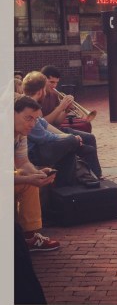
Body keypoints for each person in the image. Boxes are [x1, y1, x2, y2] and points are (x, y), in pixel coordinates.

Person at [22, 71, 92, 187]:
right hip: (34, 151)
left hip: (41, 145)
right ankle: (83, 174)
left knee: (70, 148)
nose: (46, 92)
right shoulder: (27, 107)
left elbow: (46, 125)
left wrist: (66, 112)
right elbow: (44, 136)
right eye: (44, 89)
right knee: (71, 142)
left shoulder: (32, 103)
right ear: (40, 91)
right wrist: (69, 139)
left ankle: (69, 187)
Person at [14, 95, 60, 252]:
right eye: (28, 118)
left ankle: (29, 237)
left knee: (28, 182)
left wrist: (37, 173)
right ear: (11, 113)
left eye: (35, 119)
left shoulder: (20, 133)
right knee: (27, 181)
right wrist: (29, 178)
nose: (32, 124)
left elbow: (23, 163)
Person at [40, 65, 102, 178]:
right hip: (47, 133)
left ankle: (95, 174)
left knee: (90, 137)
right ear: (43, 79)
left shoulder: (53, 95)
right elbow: (41, 124)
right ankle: (87, 174)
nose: (54, 86)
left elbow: (57, 122)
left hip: (56, 128)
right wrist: (60, 107)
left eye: (56, 83)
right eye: (51, 82)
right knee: (84, 145)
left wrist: (66, 110)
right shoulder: (39, 95)